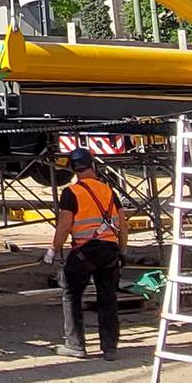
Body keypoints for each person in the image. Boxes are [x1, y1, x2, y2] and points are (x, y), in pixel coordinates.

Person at [42, 148, 123, 358]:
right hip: (109, 251)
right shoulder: (109, 191)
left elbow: (65, 225)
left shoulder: (71, 193)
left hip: (84, 252)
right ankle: (110, 348)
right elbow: (123, 225)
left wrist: (53, 250)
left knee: (71, 293)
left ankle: (75, 345)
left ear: (73, 170)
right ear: (93, 166)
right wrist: (121, 251)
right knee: (108, 298)